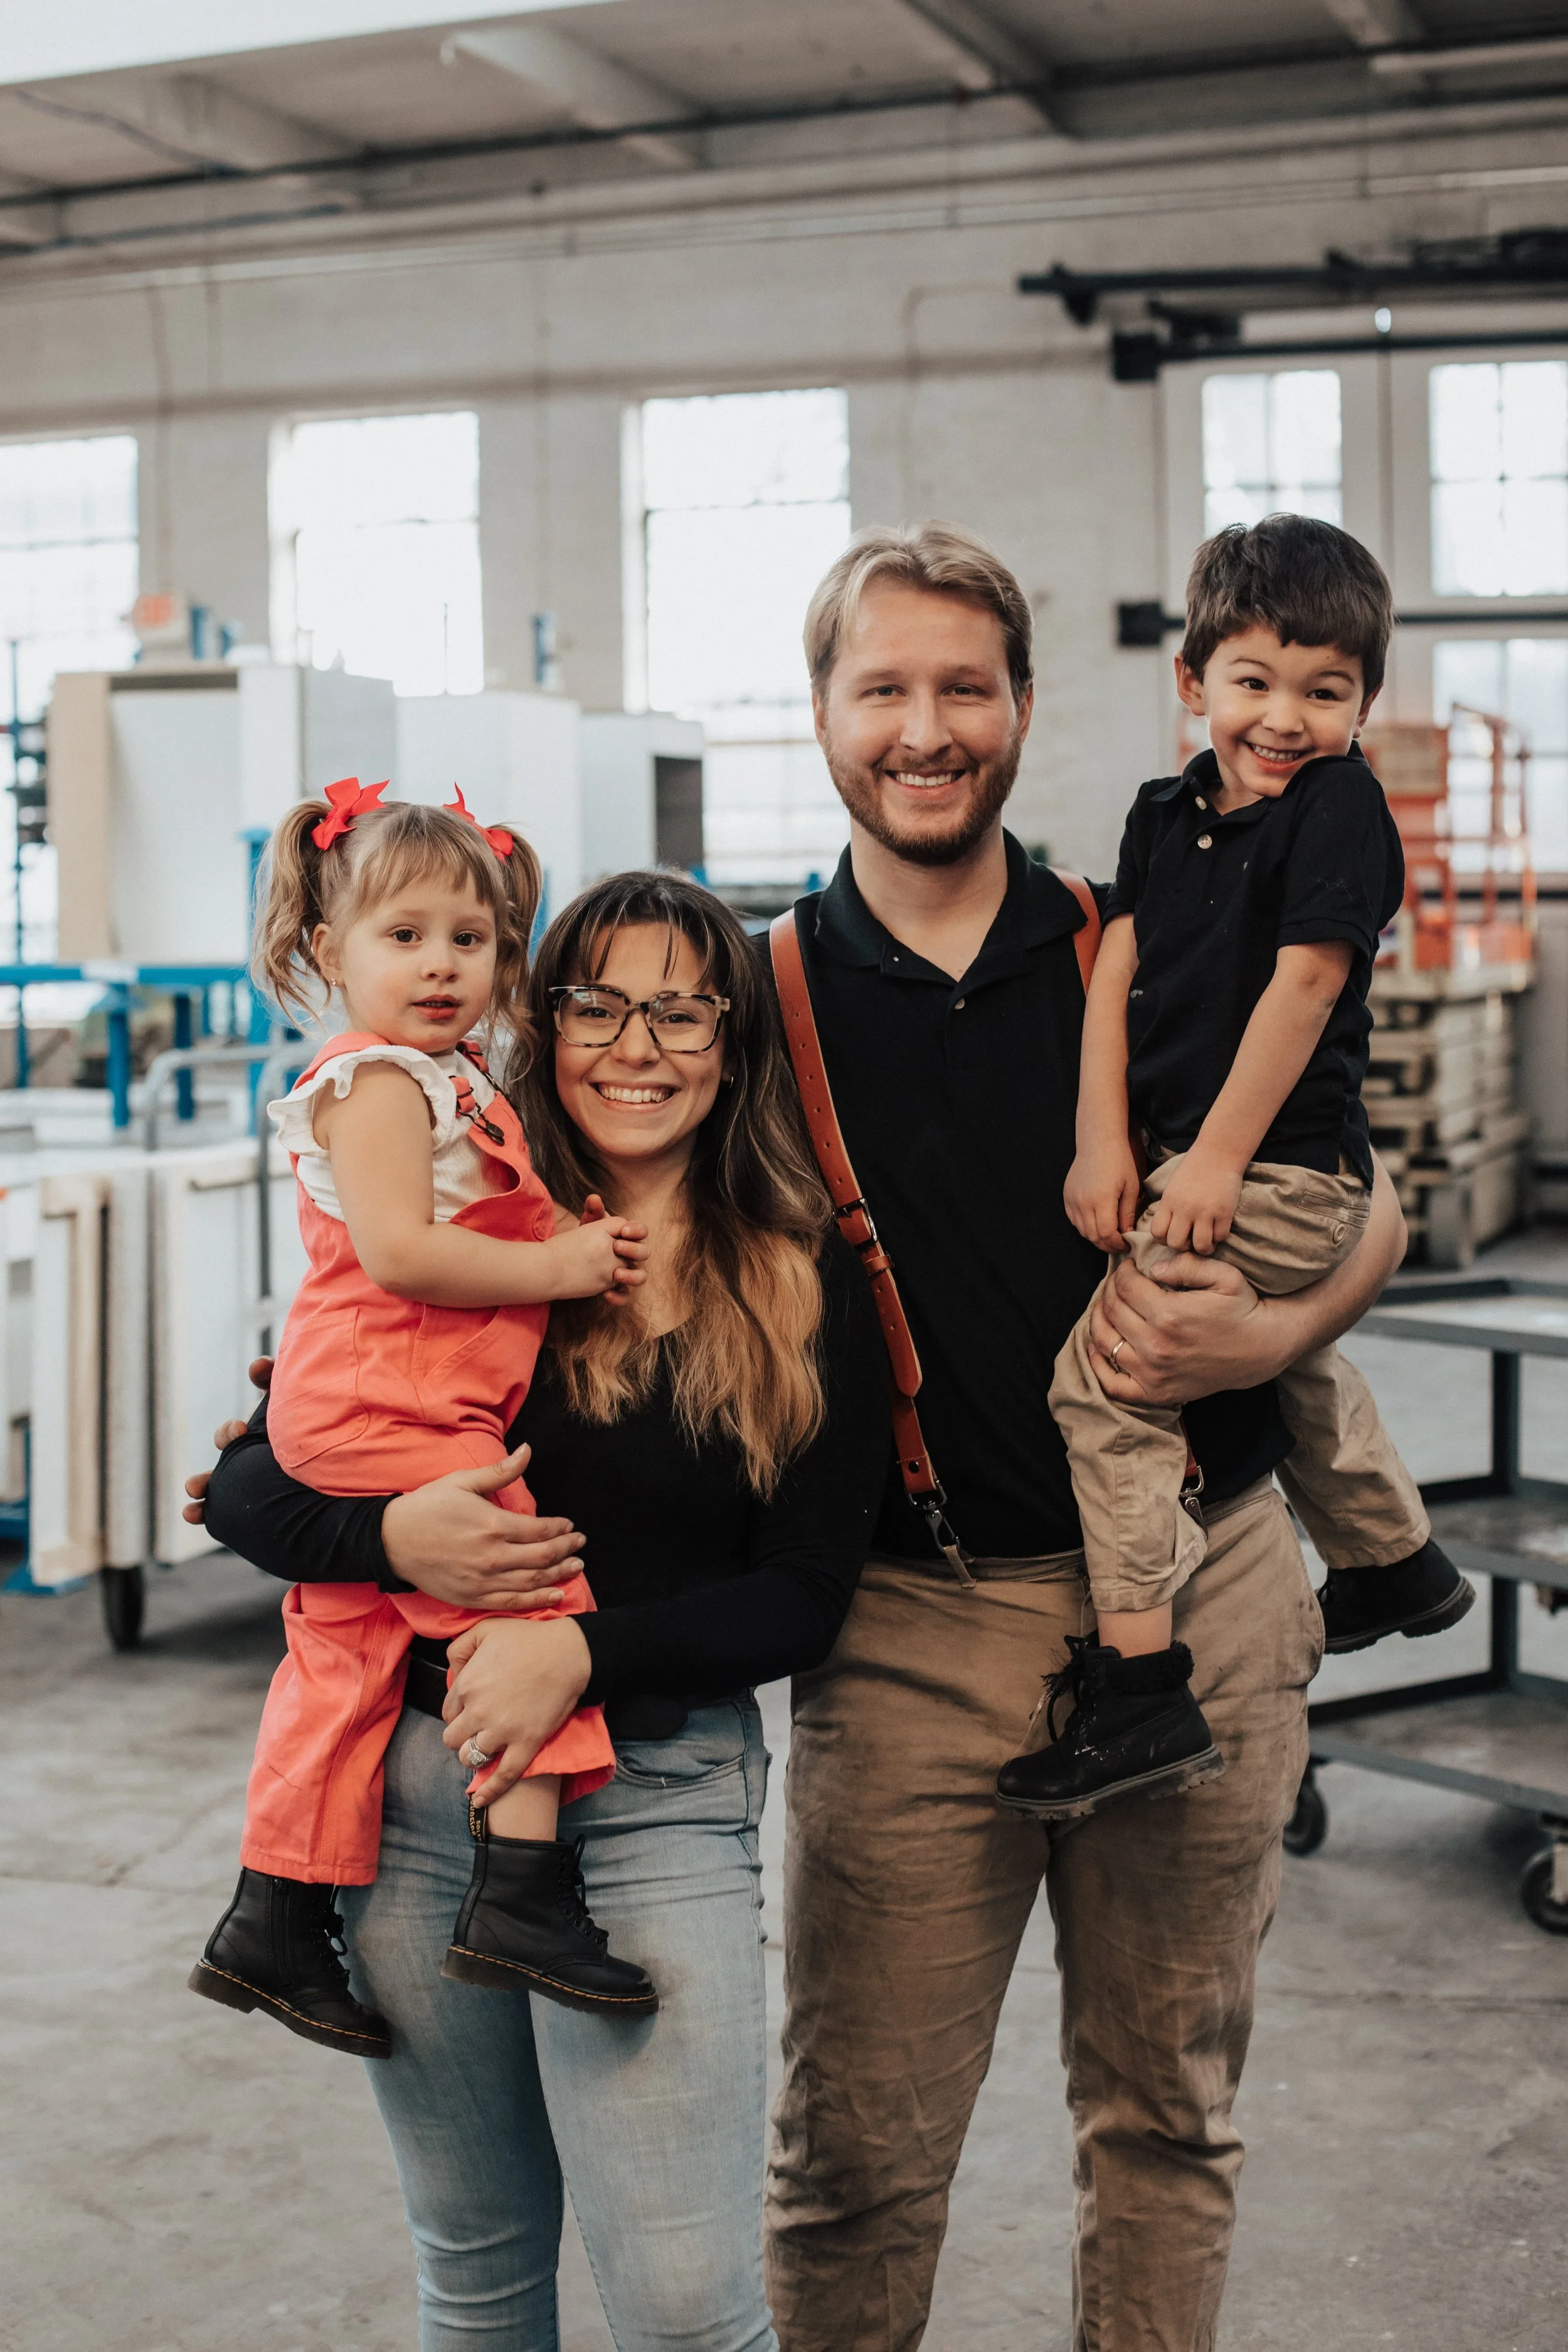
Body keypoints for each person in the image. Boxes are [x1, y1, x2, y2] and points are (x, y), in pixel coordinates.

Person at [763, 522, 1414, 2352]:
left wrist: (1280, 1323)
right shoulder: (760, 1002)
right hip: (912, 1633)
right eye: (879, 686)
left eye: (961, 687)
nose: (922, 727)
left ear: (1026, 710)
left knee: (1163, 2124)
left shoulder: (1138, 936)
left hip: (1200, 1593)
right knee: (853, 2164)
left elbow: (1373, 1200)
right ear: (820, 711)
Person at [191, 869, 889, 2352]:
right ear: (540, 1015)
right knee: (480, 2272)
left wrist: (580, 1644)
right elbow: (254, 1491)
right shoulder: (463, 1221)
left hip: (653, 1803)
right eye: (596, 1003)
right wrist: (392, 1535)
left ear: (731, 1037)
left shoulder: (799, 1270)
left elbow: (806, 1597)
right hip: (418, 1805)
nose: (636, 1046)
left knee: (687, 2312)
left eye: (680, 1009)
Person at [997, 516, 1472, 1823]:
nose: (1284, 716)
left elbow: (1308, 983)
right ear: (1190, 680)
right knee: (1269, 1350)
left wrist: (1209, 1163)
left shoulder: (1338, 806)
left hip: (1272, 1170)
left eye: (1325, 691)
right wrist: (1106, 1140)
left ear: (1361, 702)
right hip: (1180, 1161)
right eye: (1254, 680)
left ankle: (1138, 1686)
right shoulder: (1161, 815)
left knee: (1108, 1384)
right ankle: (1392, 1560)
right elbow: (1115, 975)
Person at [191, 783, 655, 2057]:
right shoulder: (382, 1083)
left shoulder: (448, 1082)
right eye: (405, 936)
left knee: (341, 1659)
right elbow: (400, 1251)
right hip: (391, 1394)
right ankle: (521, 1892)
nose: (444, 963)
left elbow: (476, 1221)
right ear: (325, 950)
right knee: (527, 1601)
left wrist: (569, 1236)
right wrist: (564, 1269)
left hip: (362, 1396)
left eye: (474, 937)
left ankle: (273, 1917)